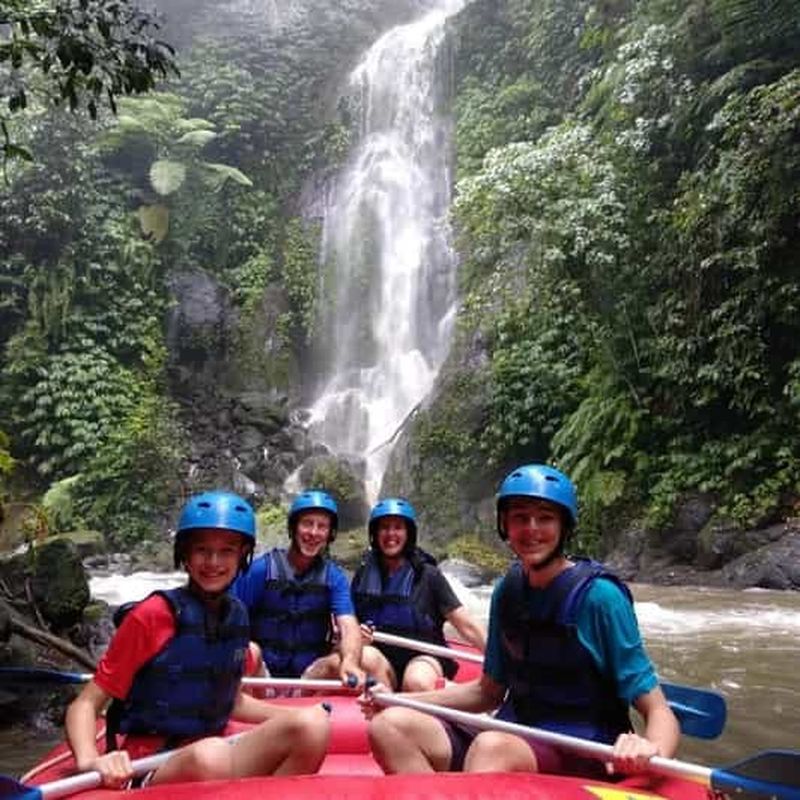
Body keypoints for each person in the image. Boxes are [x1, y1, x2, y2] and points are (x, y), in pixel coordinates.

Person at [364, 464, 679, 778]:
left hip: (580, 748)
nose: (531, 529)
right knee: (390, 727)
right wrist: (399, 701)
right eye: (520, 517)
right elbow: (487, 693)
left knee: (492, 748)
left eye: (545, 518)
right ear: (505, 525)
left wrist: (653, 750)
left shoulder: (600, 598)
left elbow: (658, 710)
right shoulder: (509, 590)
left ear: (564, 526)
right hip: (513, 730)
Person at [65, 490, 330, 789]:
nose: (213, 562)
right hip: (151, 763)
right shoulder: (152, 615)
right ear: (185, 555)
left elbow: (230, 701)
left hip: (213, 751)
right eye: (202, 550)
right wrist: (90, 761)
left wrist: (297, 713)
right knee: (211, 755)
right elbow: (85, 705)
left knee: (312, 726)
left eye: (227, 551)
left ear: (243, 555)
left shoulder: (238, 615)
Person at [231, 489, 365, 688]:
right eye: (307, 523)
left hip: (309, 678)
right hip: (261, 676)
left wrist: (350, 661)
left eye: (322, 527)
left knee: (339, 661)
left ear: (330, 534)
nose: (313, 533)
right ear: (293, 527)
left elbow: (348, 625)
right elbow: (230, 618)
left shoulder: (334, 577)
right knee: (248, 652)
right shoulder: (261, 569)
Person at [352, 497, 486, 691]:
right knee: (364, 656)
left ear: (409, 533)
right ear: (375, 533)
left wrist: (498, 661)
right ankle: (384, 710)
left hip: (424, 657)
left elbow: (466, 625)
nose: (391, 534)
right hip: (383, 661)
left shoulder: (428, 575)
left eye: (398, 527)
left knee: (415, 680)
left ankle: (450, 699)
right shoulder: (363, 575)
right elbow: (350, 624)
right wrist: (358, 635)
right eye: (384, 527)